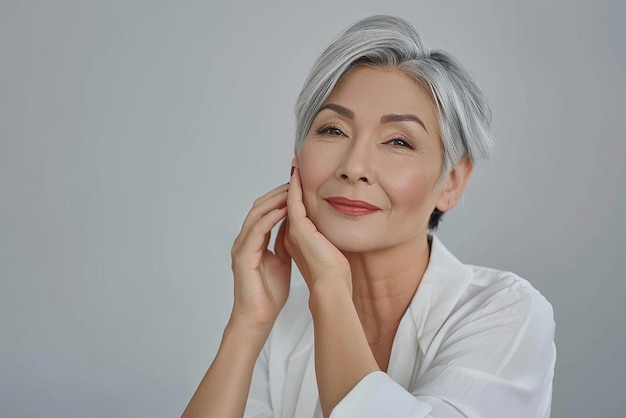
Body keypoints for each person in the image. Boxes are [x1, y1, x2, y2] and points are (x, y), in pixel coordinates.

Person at [182, 15, 556, 418]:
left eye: (398, 141)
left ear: (451, 181)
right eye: (333, 130)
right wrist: (246, 325)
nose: (354, 166)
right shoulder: (280, 323)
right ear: (296, 159)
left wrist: (328, 286)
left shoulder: (505, 312)